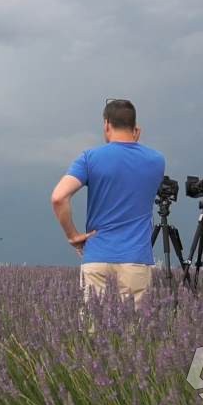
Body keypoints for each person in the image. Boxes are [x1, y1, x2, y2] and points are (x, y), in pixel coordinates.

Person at [51, 99, 165, 309]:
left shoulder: (89, 158)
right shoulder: (157, 160)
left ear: (106, 124)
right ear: (136, 128)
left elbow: (59, 197)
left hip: (97, 255)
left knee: (93, 334)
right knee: (136, 333)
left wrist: (73, 236)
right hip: (136, 257)